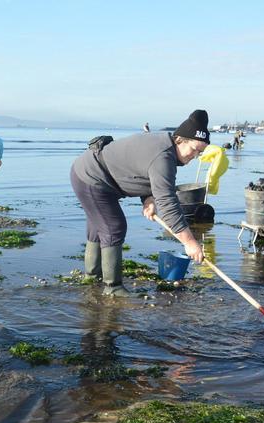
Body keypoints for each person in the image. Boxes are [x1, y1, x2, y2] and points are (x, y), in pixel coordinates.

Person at [69, 110, 209, 297]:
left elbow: (143, 169)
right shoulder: (163, 156)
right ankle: (113, 289)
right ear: (180, 140)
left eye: (200, 152)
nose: (195, 156)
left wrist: (148, 197)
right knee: (113, 227)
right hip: (91, 177)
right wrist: (190, 242)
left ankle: (92, 280)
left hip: (97, 175)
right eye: (194, 149)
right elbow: (168, 202)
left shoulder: (165, 147)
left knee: (99, 227)